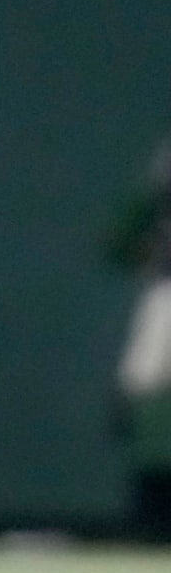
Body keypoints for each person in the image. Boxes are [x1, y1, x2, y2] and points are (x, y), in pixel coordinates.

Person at [107, 129, 171, 543]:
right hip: (166, 291)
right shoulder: (159, 196)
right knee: (141, 388)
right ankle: (151, 511)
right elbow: (117, 245)